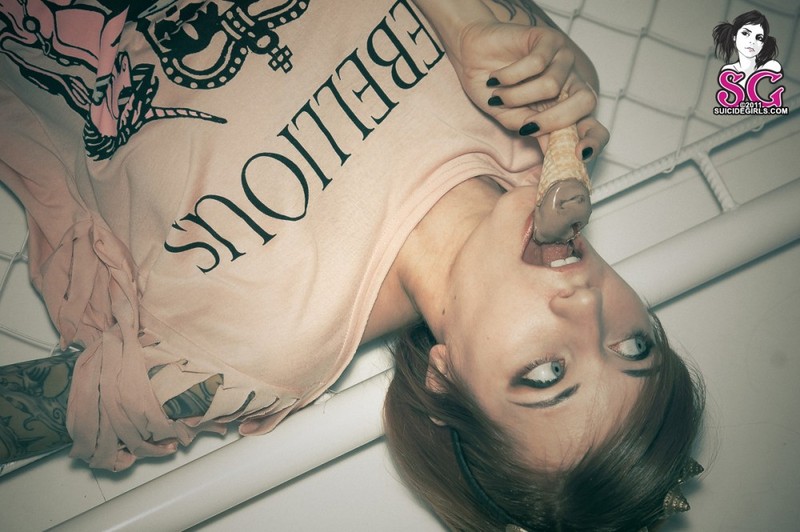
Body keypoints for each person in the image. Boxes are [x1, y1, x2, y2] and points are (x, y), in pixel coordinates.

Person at [0, 1, 704, 530]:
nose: (588, 305)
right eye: (633, 346)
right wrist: (463, 18)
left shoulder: (256, 353)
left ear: (446, 378)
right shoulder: (548, 106)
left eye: (548, 373)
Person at [712, 10, 781, 89]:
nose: (752, 41)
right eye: (745, 33)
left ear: (763, 44)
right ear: (734, 36)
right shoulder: (728, 71)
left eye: (759, 38)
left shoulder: (771, 66)